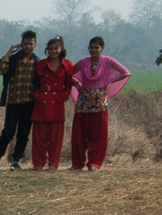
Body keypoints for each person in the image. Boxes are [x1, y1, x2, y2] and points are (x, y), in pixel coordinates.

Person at [69, 37, 130, 171]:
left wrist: (108, 83)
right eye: (91, 47)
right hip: (83, 101)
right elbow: (69, 73)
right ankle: (77, 163)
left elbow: (124, 72)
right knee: (79, 134)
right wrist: (78, 87)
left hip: (99, 102)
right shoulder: (84, 62)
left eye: (96, 48)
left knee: (98, 134)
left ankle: (94, 163)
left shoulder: (108, 62)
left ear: (102, 48)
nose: (94, 50)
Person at [0, 30, 39, 170]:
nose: (28, 47)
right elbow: (0, 70)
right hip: (13, 102)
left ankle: (16, 160)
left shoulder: (37, 61)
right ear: (21, 44)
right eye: (25, 44)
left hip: (29, 103)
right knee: (8, 132)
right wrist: (9, 51)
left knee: (23, 134)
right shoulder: (13, 58)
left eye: (31, 44)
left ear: (35, 44)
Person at [31, 37, 74, 171]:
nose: (53, 51)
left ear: (61, 49)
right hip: (41, 104)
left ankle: (53, 163)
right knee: (39, 137)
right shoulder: (41, 64)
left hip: (57, 103)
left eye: (56, 48)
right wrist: (37, 95)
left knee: (56, 137)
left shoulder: (67, 65)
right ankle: (38, 163)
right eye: (50, 49)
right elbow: (34, 83)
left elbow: (69, 85)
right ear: (47, 50)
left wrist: (64, 96)